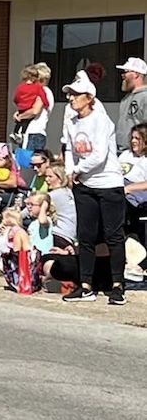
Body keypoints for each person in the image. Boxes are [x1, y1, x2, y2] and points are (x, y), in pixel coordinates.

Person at [62, 73, 127, 305]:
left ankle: (118, 285)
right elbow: (69, 149)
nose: (71, 99)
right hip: (85, 186)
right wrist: (71, 171)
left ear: (89, 98)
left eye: (76, 95)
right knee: (85, 236)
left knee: (113, 236)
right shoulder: (71, 122)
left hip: (108, 184)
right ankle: (86, 284)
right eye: (70, 95)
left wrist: (78, 170)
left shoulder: (102, 120)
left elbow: (99, 155)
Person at [11, 64, 49, 150]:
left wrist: (20, 116)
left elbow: (35, 111)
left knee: (26, 161)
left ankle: (16, 133)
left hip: (34, 133)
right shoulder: (38, 89)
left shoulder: (43, 90)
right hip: (32, 133)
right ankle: (17, 133)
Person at [116, 57, 147, 153]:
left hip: (139, 154)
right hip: (122, 153)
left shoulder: (145, 97)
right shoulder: (125, 99)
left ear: (136, 74)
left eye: (126, 72)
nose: (123, 75)